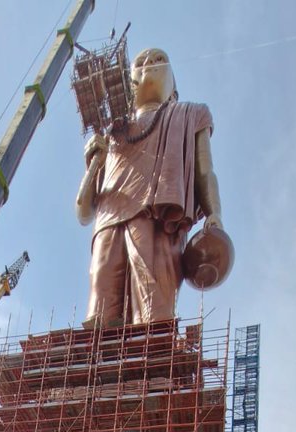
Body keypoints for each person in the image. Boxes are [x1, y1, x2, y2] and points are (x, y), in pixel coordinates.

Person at [76, 47, 224, 326]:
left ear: (174, 92)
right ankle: (99, 367)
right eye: (141, 63)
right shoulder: (113, 133)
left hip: (159, 214)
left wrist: (215, 211)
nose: (148, 66)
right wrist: (92, 164)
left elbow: (205, 171)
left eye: (158, 60)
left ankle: (147, 364)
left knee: (152, 313)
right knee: (100, 316)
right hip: (109, 220)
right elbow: (84, 213)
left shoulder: (192, 114)